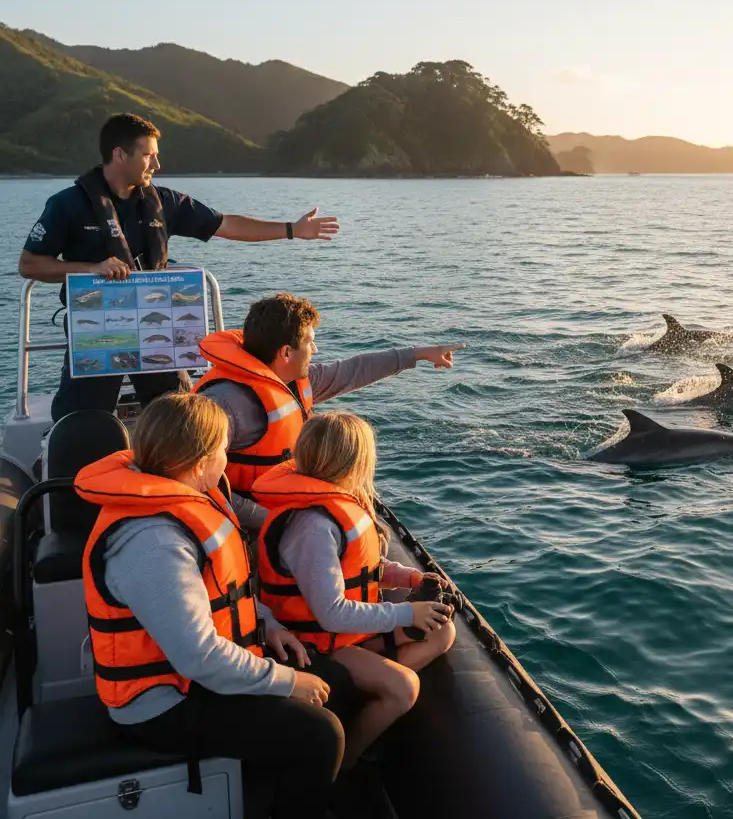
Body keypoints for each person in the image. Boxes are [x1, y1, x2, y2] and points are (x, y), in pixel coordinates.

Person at [74, 393, 356, 819]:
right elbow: (198, 656)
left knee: (336, 681)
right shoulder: (154, 541)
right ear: (201, 461)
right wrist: (286, 681)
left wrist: (267, 623)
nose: (228, 458)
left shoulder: (184, 500)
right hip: (162, 704)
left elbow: (220, 593)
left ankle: (287, 789)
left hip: (197, 676)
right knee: (321, 734)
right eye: (224, 448)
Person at [18, 113, 340, 421]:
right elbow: (29, 264)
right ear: (120, 155)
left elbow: (226, 224)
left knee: (178, 411)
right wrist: (90, 269)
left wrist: (292, 230)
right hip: (96, 327)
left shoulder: (165, 202)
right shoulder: (68, 205)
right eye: (149, 155)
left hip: (157, 323)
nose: (157, 165)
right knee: (83, 418)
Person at [252, 413, 455, 768]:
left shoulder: (338, 508)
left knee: (442, 631)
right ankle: (344, 765)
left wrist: (407, 578)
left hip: (344, 634)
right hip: (312, 641)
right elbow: (331, 613)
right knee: (403, 687)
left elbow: (360, 569)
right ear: (353, 464)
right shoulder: (313, 526)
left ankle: (361, 696)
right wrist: (407, 613)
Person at [193, 293, 464, 526]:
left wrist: (419, 354)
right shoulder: (224, 404)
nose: (315, 349)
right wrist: (269, 520)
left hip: (285, 501)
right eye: (309, 342)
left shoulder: (292, 381)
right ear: (286, 353)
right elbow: (195, 478)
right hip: (252, 521)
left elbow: (352, 370)